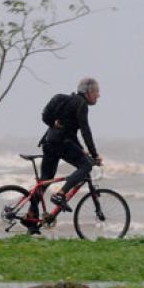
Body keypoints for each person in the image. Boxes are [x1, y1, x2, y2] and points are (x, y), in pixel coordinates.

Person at [25, 77, 103, 234]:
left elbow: (68, 131)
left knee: (45, 180)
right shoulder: (81, 105)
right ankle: (61, 194)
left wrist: (82, 150)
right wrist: (94, 154)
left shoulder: (69, 102)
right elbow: (85, 131)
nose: (98, 96)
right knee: (86, 165)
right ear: (87, 92)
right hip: (61, 143)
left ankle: (31, 217)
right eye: (96, 92)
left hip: (49, 142)